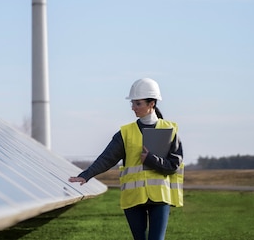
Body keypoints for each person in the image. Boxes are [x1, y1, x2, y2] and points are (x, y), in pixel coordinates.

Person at [68, 78, 184, 240]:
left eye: (138, 104)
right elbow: (107, 158)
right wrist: (86, 174)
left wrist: (151, 160)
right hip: (134, 198)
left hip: (160, 197)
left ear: (152, 104)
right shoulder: (125, 133)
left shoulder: (169, 130)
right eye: (133, 103)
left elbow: (174, 165)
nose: (133, 108)